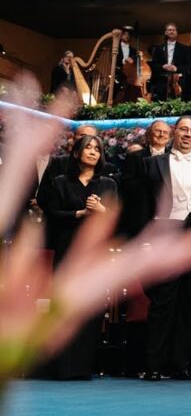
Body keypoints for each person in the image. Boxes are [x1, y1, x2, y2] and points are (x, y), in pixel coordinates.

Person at [140, 116, 191, 380]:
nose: (188, 134)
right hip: (165, 234)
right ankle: (153, 364)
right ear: (175, 132)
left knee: (189, 303)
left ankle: (180, 364)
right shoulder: (153, 163)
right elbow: (143, 205)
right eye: (184, 129)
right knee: (162, 302)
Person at [37, 134, 118, 379]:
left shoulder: (108, 184)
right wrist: (79, 214)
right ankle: (60, 366)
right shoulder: (60, 182)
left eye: (97, 149)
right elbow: (51, 215)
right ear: (76, 153)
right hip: (67, 248)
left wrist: (103, 210)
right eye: (88, 148)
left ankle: (82, 367)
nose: (93, 152)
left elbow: (116, 220)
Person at [148, 23, 191, 101]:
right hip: (161, 83)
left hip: (178, 83)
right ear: (165, 32)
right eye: (169, 30)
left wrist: (176, 68)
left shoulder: (185, 48)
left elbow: (189, 65)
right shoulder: (158, 48)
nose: (171, 31)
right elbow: (154, 65)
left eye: (173, 30)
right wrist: (162, 67)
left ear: (177, 33)